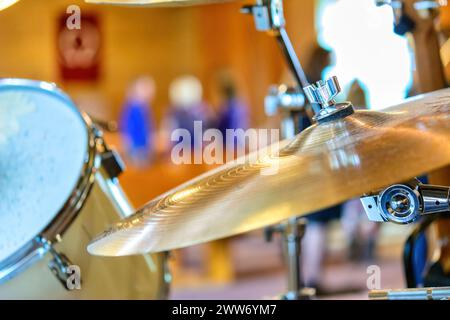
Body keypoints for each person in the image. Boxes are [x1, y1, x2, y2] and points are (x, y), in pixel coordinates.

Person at [119, 76, 156, 167]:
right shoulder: (134, 108)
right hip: (136, 150)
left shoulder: (144, 107)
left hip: (144, 148)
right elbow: (128, 130)